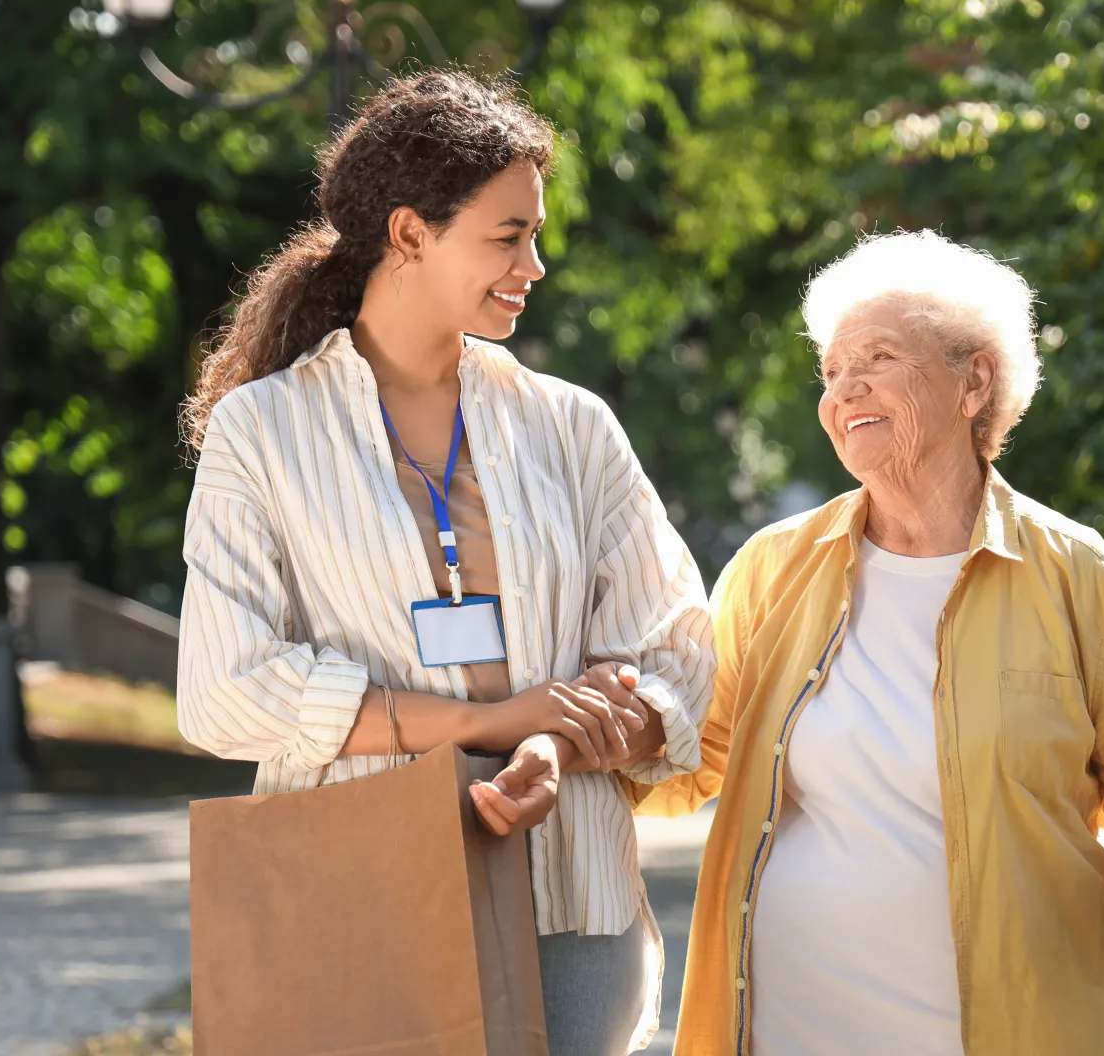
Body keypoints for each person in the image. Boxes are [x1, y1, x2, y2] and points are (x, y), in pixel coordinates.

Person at [175, 69, 714, 1056]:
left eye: (536, 233)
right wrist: (477, 723)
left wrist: (554, 743)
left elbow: (676, 651)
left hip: (570, 896)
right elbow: (220, 689)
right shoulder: (264, 431)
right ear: (410, 233)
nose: (535, 264)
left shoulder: (571, 426)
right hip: (358, 894)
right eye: (508, 236)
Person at [632, 229, 1104, 1054]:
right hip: (794, 1027)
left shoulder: (1071, 573)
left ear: (975, 382)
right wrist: (566, 731)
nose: (844, 386)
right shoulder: (773, 568)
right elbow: (690, 748)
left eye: (880, 357)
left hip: (1024, 1027)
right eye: (830, 371)